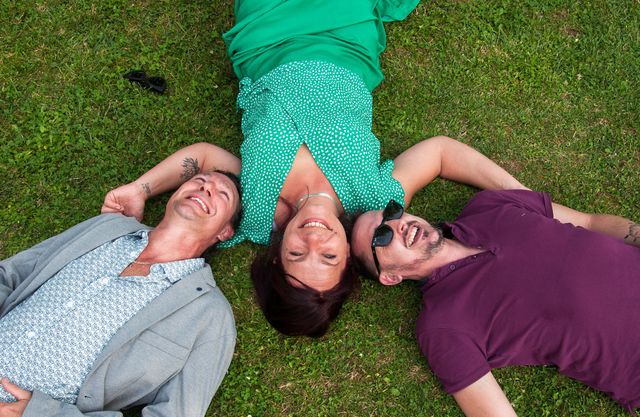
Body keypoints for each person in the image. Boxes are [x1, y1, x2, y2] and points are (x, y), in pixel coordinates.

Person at [103, 1, 526, 337]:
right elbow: (441, 153)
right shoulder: (374, 200)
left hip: (264, 40)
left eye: (295, 253)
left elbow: (205, 157)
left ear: (275, 255)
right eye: (327, 255)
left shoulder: (253, 212)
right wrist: (519, 195)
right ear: (348, 257)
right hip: (347, 37)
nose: (313, 238)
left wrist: (142, 188)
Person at [351, 186, 640, 417]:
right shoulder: (442, 326)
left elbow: (590, 222)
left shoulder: (489, 205)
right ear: (390, 277)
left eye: (391, 212)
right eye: (381, 236)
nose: (397, 224)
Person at [0, 167, 242, 417]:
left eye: (222, 194)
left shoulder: (210, 317)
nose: (206, 188)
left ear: (225, 232)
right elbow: (11, 275)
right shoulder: (107, 227)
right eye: (199, 180)